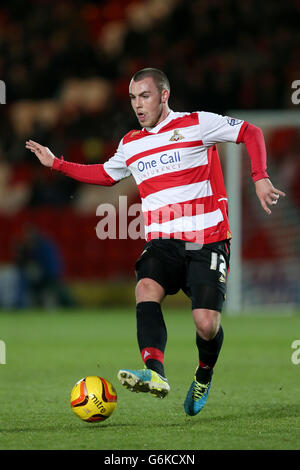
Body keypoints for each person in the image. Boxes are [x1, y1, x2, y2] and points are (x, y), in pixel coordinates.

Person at [25, 68, 285, 416]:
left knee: (206, 324)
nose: (137, 105)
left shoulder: (197, 124)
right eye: (132, 98)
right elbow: (105, 174)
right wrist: (56, 163)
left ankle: (203, 375)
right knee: (146, 286)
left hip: (206, 239)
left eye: (144, 96)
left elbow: (250, 132)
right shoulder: (131, 143)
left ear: (164, 95)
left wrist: (260, 177)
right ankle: (155, 373)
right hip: (162, 240)